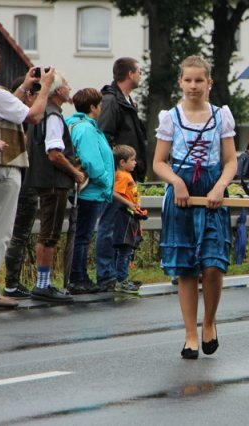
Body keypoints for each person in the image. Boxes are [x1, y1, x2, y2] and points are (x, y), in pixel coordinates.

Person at [153, 55, 237, 359]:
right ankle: (190, 333)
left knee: (213, 265)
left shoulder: (220, 116)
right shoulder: (171, 117)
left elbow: (231, 161)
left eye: (199, 80)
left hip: (212, 191)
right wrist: (176, 182)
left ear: (209, 83)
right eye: (188, 80)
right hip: (182, 195)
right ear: (180, 82)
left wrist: (219, 186)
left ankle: (209, 322)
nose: (193, 86)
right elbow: (159, 162)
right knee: (186, 267)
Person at [0, 42, 56, 308]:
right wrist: (46, 87)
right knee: (0, 232)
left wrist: (24, 87)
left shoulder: (0, 96)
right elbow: (33, 115)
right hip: (4, 165)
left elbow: (8, 108)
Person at [24, 69, 85, 303]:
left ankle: (44, 282)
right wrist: (75, 172)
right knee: (49, 234)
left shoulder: (42, 112)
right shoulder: (53, 116)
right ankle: (43, 284)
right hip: (54, 181)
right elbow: (54, 153)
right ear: (58, 91)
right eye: (67, 84)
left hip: (43, 179)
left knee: (47, 232)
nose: (70, 88)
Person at [95, 57, 147, 291]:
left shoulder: (126, 100)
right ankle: (107, 275)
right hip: (116, 177)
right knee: (109, 227)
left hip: (127, 174)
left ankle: (118, 275)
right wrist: (116, 167)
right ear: (130, 74)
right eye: (139, 71)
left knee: (122, 229)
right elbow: (105, 135)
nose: (140, 75)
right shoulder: (111, 100)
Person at [65, 88, 115, 294]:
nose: (101, 108)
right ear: (93, 107)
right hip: (90, 191)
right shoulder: (86, 129)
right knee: (83, 237)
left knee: (81, 235)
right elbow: (91, 161)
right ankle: (78, 278)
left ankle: (78, 276)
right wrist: (105, 180)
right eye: (99, 104)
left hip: (86, 191)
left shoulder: (76, 125)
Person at [2, 77, 43, 300]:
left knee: (15, 234)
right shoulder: (20, 119)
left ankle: (12, 282)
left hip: (22, 179)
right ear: (29, 96)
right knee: (16, 234)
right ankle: (11, 283)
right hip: (21, 180)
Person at [112, 144, 147, 293]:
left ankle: (122, 278)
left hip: (131, 216)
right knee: (125, 249)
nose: (135, 163)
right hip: (124, 216)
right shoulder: (122, 176)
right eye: (132, 160)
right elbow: (115, 193)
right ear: (122, 162)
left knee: (128, 249)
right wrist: (129, 204)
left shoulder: (127, 175)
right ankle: (121, 280)